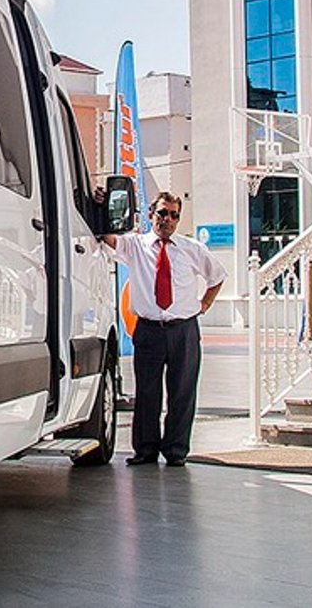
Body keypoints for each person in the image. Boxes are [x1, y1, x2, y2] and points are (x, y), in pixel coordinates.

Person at [102, 191, 226, 466]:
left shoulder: (190, 248)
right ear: (150, 215)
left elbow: (217, 276)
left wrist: (204, 304)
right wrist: (103, 205)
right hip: (149, 330)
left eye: (173, 215)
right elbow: (108, 238)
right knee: (147, 393)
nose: (167, 220)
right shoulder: (136, 245)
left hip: (184, 331)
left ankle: (176, 451)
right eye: (162, 213)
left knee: (182, 392)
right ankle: (145, 450)